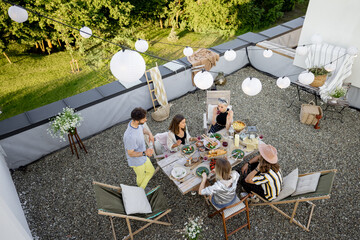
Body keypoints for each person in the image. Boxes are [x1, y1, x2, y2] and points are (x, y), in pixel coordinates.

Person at [123, 107, 155, 189]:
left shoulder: (134, 123)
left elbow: (142, 129)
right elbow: (130, 153)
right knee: (141, 176)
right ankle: (141, 190)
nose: (146, 120)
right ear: (137, 120)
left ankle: (142, 187)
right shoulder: (130, 136)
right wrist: (145, 153)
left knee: (151, 171)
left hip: (143, 155)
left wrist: (150, 134)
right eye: (144, 119)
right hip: (136, 160)